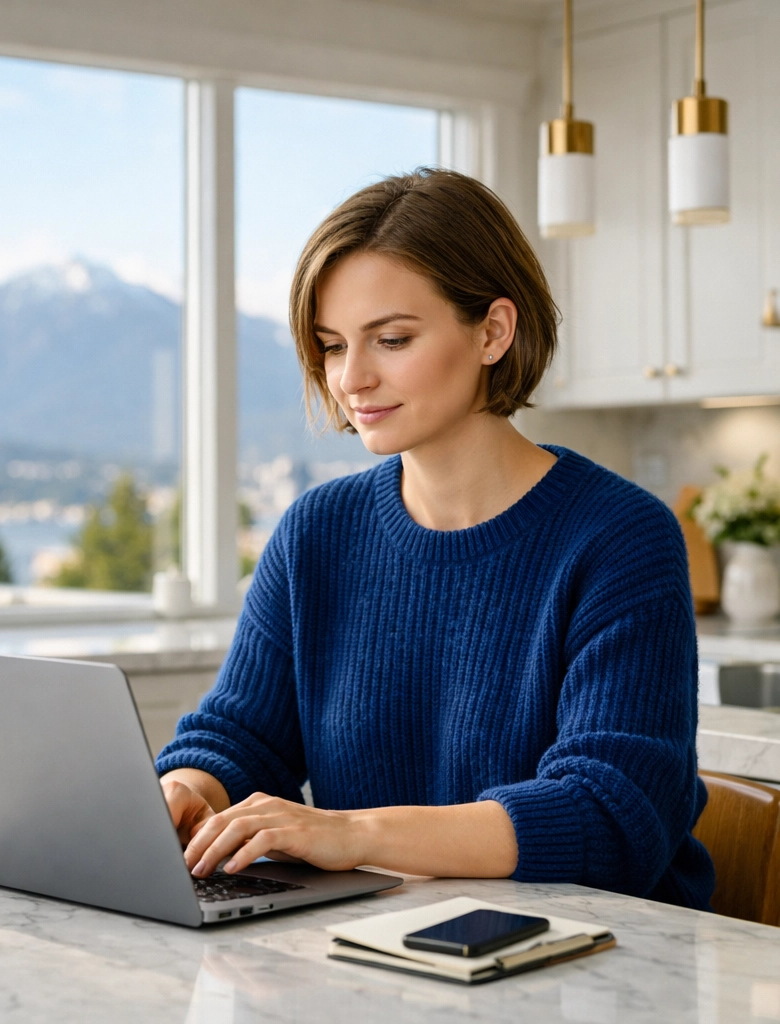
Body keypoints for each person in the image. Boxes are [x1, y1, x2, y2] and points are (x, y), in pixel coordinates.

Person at [156, 168, 715, 909]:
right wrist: (188, 787)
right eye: (331, 345)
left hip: (600, 966)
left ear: (493, 331)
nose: (351, 378)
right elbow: (242, 733)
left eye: (391, 339)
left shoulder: (620, 537)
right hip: (383, 946)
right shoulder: (316, 532)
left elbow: (610, 818)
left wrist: (352, 833)